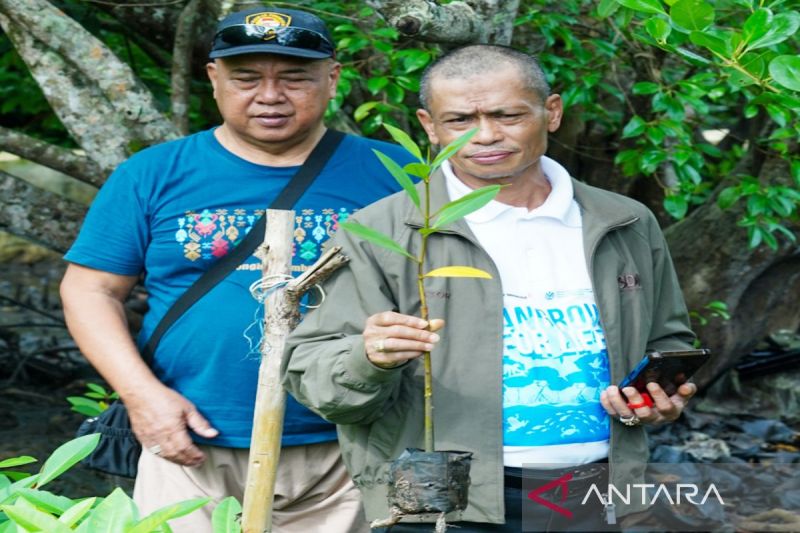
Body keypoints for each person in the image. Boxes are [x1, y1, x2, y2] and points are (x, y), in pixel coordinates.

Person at [283, 44, 698, 531]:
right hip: (443, 499)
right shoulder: (384, 230)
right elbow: (314, 375)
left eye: (508, 115)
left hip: (599, 491)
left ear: (553, 112)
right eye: (460, 120)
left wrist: (655, 398)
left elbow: (667, 341)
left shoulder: (623, 221)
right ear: (429, 126)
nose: (486, 135)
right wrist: (368, 358)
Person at [60, 6, 411, 532]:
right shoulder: (152, 173)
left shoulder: (397, 173)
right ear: (214, 78)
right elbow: (90, 292)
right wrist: (141, 396)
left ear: (332, 79)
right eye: (247, 79)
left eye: (295, 79)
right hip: (189, 444)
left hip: (352, 444)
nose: (270, 96)